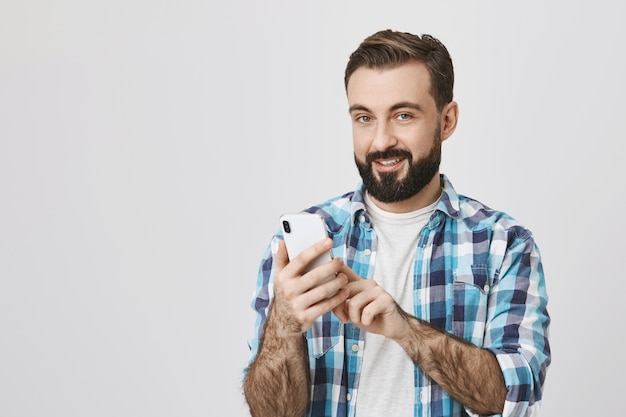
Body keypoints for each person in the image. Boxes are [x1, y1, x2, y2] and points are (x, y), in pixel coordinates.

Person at [242, 29, 551, 417]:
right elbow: (269, 413)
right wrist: (284, 326)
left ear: (447, 120)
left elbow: (513, 392)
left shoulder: (504, 244)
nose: (381, 140)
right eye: (364, 118)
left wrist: (405, 330)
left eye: (403, 115)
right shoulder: (297, 247)